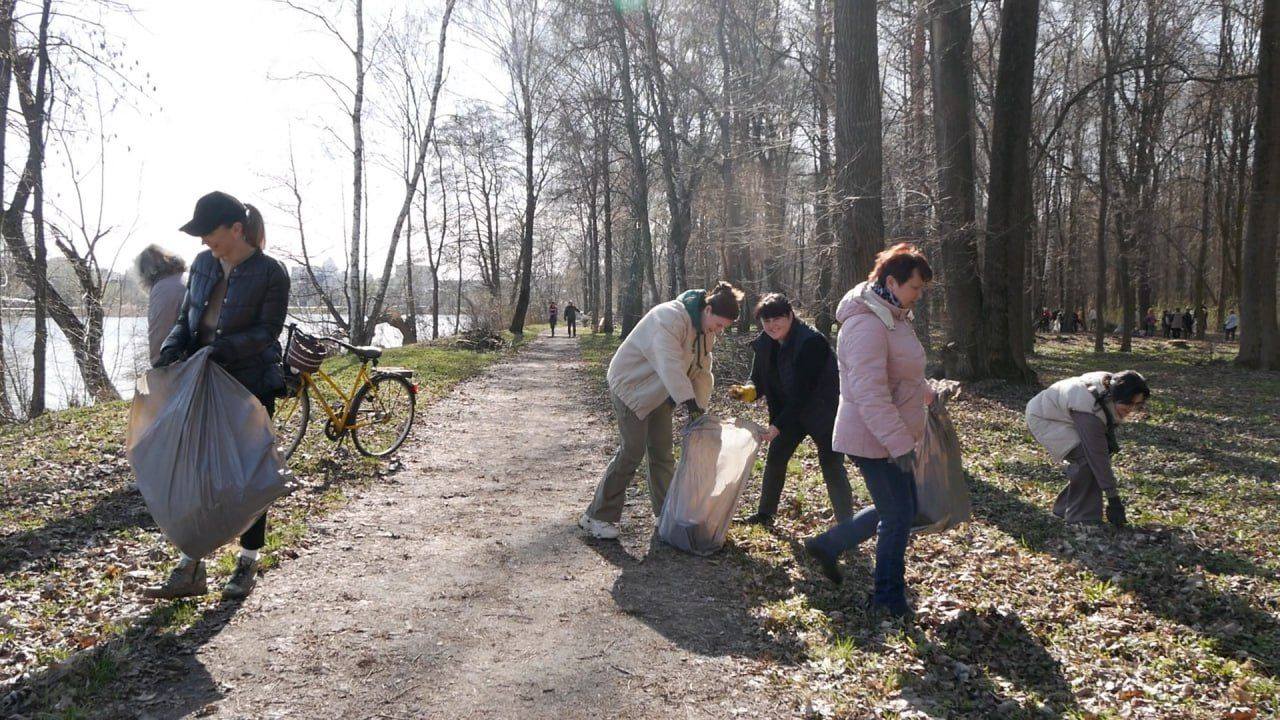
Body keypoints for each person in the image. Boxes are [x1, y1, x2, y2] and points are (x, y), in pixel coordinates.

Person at [144, 191, 290, 600]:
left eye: (209, 232)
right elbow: (186, 320)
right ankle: (191, 567)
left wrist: (220, 350)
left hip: (248, 385)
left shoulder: (271, 272)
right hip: (201, 382)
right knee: (196, 474)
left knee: (251, 477)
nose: (204, 241)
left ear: (236, 229)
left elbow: (267, 332)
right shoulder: (205, 264)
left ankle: (247, 562)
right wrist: (171, 352)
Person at [802, 243, 934, 620]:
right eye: (915, 287)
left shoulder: (893, 314)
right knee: (898, 516)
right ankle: (887, 598)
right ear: (891, 281)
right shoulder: (866, 324)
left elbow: (903, 372)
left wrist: (929, 393)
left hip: (892, 435)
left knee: (901, 511)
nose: (918, 295)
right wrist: (899, 444)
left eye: (922, 289)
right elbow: (869, 392)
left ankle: (828, 545)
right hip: (871, 437)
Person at [579, 282, 743, 540]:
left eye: (723, 327)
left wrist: (699, 409)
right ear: (708, 309)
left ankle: (665, 513)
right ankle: (597, 516)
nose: (719, 331)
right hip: (631, 387)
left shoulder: (705, 331)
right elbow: (669, 365)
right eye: (719, 324)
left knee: (662, 453)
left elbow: (702, 371)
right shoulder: (668, 317)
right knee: (631, 451)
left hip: (660, 392)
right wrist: (688, 403)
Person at [731, 293, 852, 527]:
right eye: (766, 321)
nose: (771, 325)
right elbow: (759, 378)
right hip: (790, 413)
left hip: (822, 412)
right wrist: (750, 389)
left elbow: (803, 393)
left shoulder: (811, 342)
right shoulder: (766, 342)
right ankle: (765, 515)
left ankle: (848, 526)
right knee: (776, 458)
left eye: (777, 319)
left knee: (831, 465)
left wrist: (777, 425)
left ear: (790, 315)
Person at [1025, 370, 1149, 527]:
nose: (1131, 409)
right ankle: (1083, 519)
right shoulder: (1090, 408)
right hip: (1044, 419)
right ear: (1115, 395)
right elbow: (1097, 456)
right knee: (1088, 460)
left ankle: (1063, 509)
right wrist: (1114, 499)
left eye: (1137, 404)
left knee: (1092, 462)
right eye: (1128, 403)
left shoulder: (1111, 386)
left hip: (1064, 416)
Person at [135, 245, 187, 367]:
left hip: (183, 367)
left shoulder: (164, 289)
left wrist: (157, 366)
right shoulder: (186, 278)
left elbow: (160, 333)